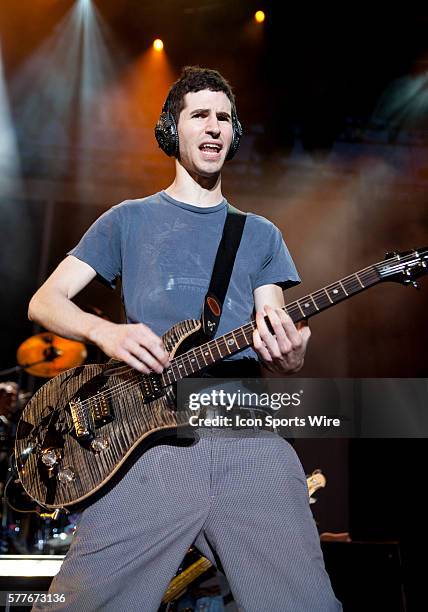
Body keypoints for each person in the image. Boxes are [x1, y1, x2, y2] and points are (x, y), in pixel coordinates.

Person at [29, 66, 341, 611]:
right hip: (150, 446)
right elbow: (45, 302)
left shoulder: (260, 234)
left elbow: (276, 334)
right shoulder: (127, 220)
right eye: (201, 115)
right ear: (173, 129)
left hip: (248, 437)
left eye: (225, 118)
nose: (215, 127)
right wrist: (106, 331)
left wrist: (291, 354)